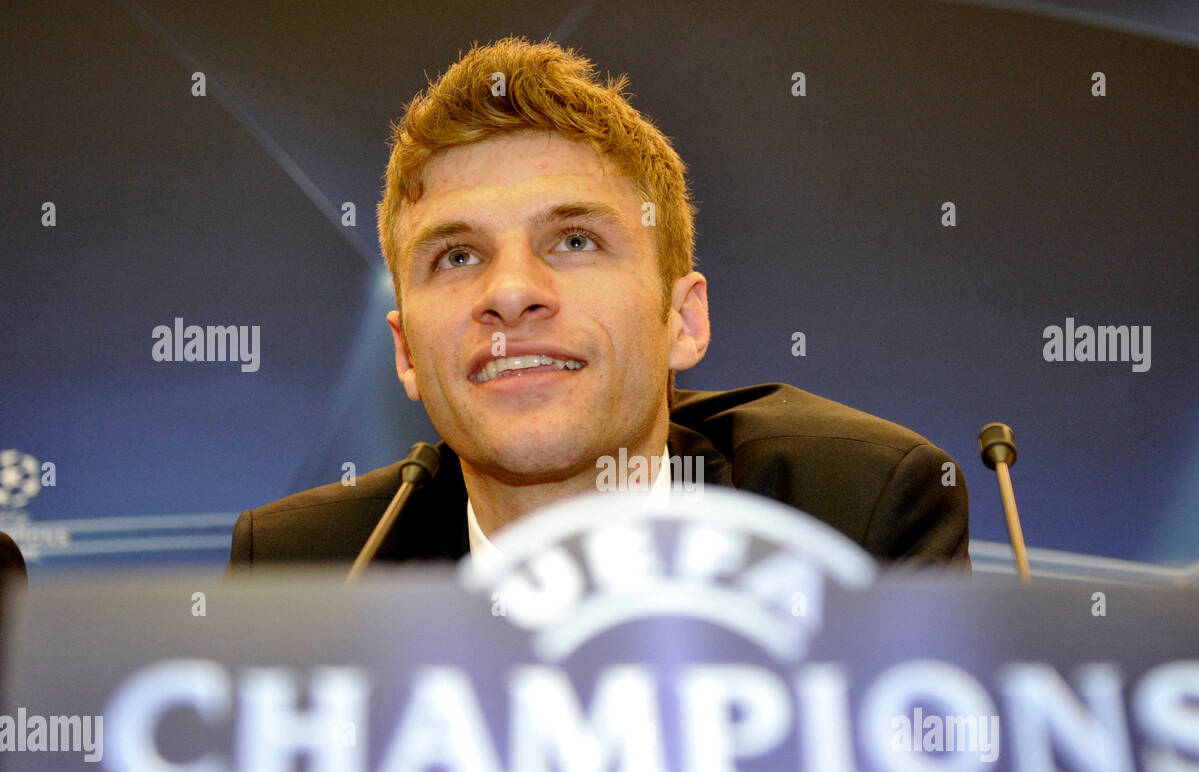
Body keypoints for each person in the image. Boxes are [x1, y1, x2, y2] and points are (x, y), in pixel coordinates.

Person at [228, 37, 969, 575]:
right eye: (458, 256)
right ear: (406, 354)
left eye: (574, 241)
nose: (510, 292)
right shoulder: (312, 573)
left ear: (682, 320)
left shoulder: (851, 516)